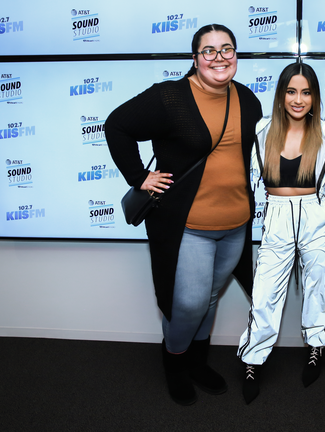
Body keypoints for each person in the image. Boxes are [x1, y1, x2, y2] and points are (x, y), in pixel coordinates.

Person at [104, 24, 262, 406]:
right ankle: (174, 363)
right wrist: (140, 177)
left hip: (236, 224)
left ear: (236, 57)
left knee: (208, 297)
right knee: (188, 303)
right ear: (194, 58)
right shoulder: (170, 97)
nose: (219, 58)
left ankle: (196, 362)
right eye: (209, 51)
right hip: (187, 225)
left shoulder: (248, 99)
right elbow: (117, 125)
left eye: (227, 49)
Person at [237, 62, 325, 404]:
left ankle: (316, 346)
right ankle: (252, 359)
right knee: (264, 292)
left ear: (314, 97)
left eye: (306, 92)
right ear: (280, 96)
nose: (298, 99)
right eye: (291, 91)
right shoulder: (262, 131)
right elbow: (248, 182)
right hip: (276, 216)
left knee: (316, 285)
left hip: (315, 215)